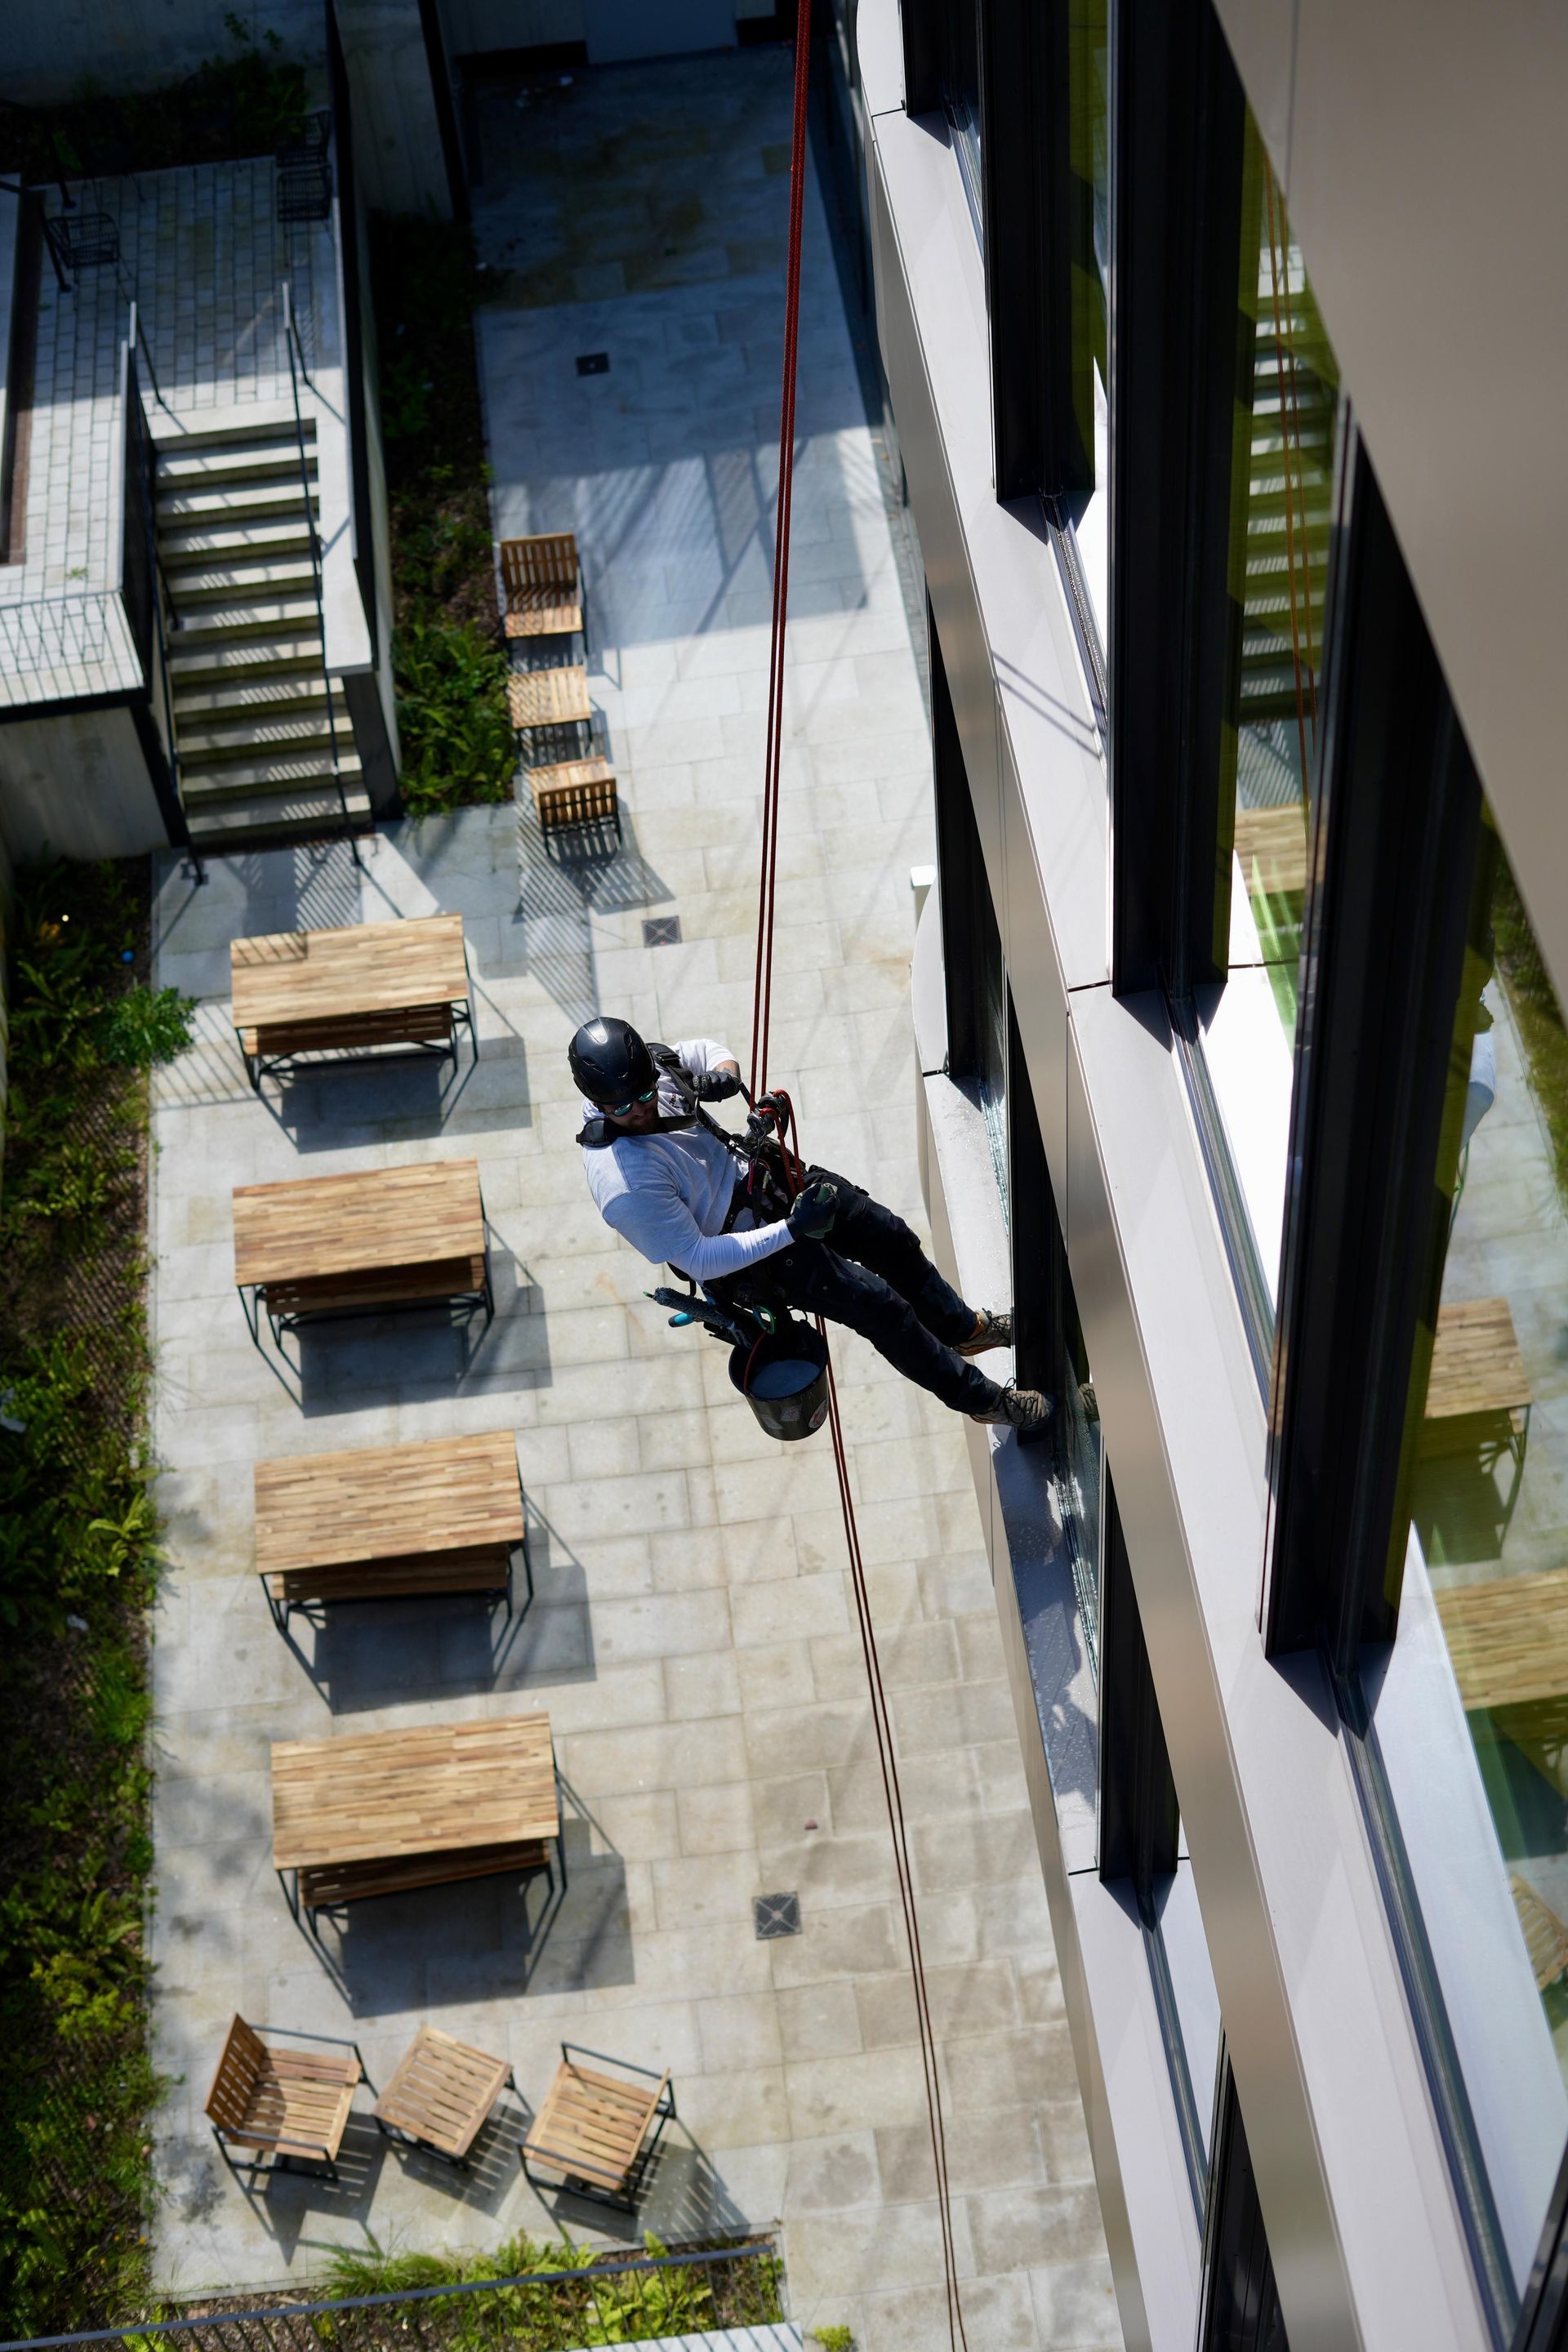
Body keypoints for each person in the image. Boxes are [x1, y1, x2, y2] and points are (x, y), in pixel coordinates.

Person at [570, 1016, 1053, 1432]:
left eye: (646, 1094)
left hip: (765, 1175)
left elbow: (705, 1052)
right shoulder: (624, 1184)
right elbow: (698, 1259)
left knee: (891, 1238)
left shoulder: (653, 1070)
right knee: (881, 1308)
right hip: (749, 1250)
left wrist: (723, 1076)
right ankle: (985, 1402)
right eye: (621, 1108)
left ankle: (964, 1328)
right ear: (596, 1101)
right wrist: (793, 1230)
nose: (639, 1110)